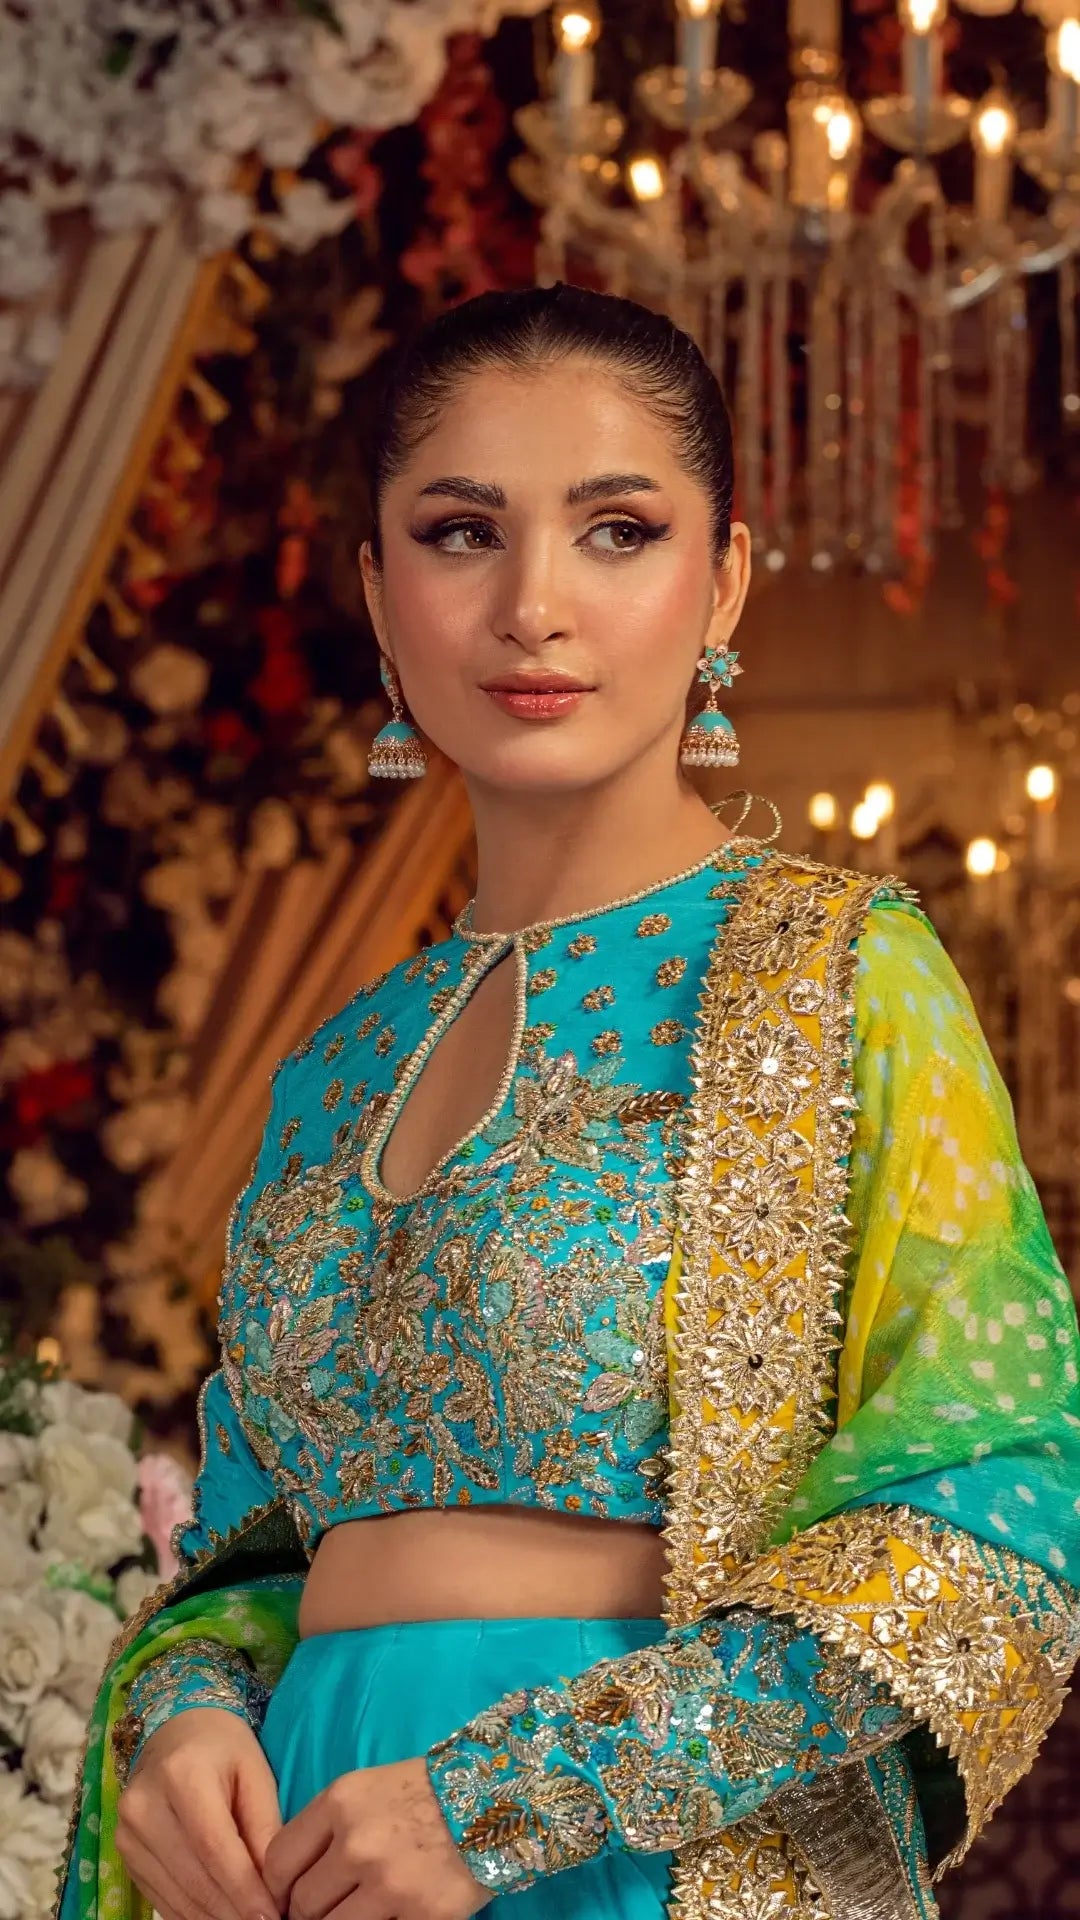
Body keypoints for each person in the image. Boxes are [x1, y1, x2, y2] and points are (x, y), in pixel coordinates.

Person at [54, 283, 1080, 1920]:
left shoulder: (838, 977)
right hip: (303, 1862)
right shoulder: (331, 1069)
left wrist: (512, 1801)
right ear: (379, 593)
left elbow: (997, 1513)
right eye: (463, 533)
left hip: (625, 1862)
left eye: (617, 530)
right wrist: (180, 1721)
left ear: (723, 578)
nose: (535, 605)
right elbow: (252, 1557)